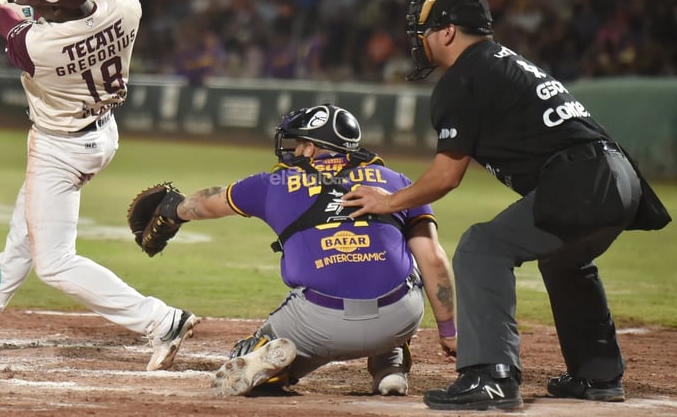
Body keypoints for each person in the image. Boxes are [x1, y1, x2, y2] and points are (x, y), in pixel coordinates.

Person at [341, 0, 671, 410]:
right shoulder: (503, 62)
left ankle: (490, 376)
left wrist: (388, 201)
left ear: (447, 33)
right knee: (564, 259)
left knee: (481, 248)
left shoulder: (464, 76)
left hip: (582, 178)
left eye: (423, 30)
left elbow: (445, 176)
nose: (418, 41)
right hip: (620, 176)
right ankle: (597, 374)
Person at [0, 0, 197, 371]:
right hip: (103, 133)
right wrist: (26, 12)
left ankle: (162, 321)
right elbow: (44, 20)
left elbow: (7, 22)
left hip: (60, 149)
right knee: (25, 233)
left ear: (52, 4)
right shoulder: (124, 2)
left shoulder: (38, 45)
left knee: (54, 263)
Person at [158, 103, 457, 396]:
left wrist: (174, 210)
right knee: (407, 263)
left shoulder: (274, 182)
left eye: (299, 143)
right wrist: (448, 332)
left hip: (318, 321)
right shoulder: (397, 182)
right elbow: (435, 260)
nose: (295, 150)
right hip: (399, 318)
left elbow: (208, 203)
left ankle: (273, 367)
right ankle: (390, 370)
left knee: (258, 346)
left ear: (312, 148)